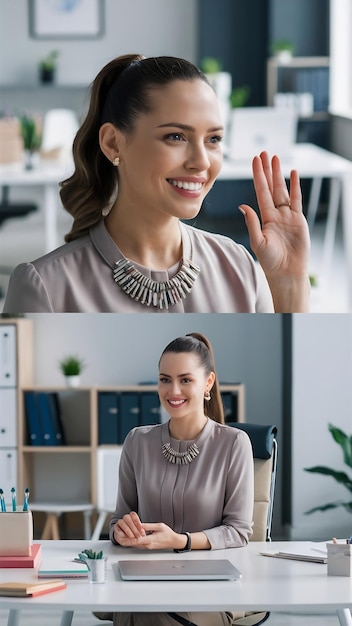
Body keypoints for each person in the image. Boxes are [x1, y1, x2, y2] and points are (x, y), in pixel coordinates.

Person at [3, 54, 310, 313]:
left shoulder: (239, 267)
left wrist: (289, 282)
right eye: (175, 136)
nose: (202, 161)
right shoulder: (44, 287)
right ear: (113, 143)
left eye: (213, 139)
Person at [107, 332, 254, 626]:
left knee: (156, 615)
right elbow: (119, 520)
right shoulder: (137, 441)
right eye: (165, 379)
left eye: (185, 380)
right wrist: (121, 533)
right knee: (145, 609)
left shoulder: (234, 443)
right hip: (143, 580)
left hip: (210, 587)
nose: (173, 390)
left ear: (208, 383)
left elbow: (238, 531)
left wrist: (182, 541)